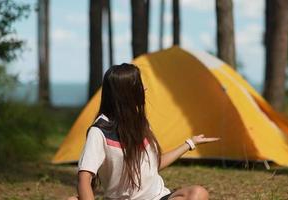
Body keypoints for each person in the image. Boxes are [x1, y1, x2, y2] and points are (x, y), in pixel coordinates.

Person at [68, 63, 219, 200]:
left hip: (158, 197)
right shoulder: (99, 131)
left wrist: (190, 143)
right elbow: (84, 178)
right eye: (139, 84)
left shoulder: (140, 123)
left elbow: (153, 164)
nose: (145, 88)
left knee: (198, 193)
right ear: (125, 94)